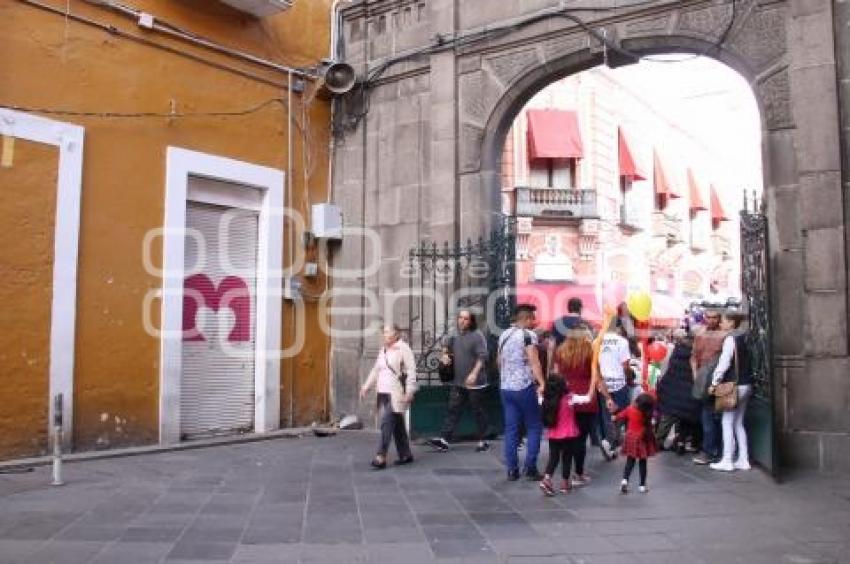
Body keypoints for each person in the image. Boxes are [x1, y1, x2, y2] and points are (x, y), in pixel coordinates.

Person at [427, 310, 491, 453]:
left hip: (476, 382)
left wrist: (474, 374)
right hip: (458, 381)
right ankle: (444, 440)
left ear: (471, 321)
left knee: (478, 411)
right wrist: (444, 356)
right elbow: (446, 349)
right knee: (453, 410)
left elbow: (483, 356)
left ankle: (483, 440)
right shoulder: (454, 336)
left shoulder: (477, 336)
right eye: (460, 318)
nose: (462, 321)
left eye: (466, 318)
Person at [498, 303, 546, 481]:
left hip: (506, 387)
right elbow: (535, 362)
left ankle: (512, 470)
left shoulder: (504, 335)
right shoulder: (528, 335)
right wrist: (541, 382)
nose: (534, 322)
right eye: (532, 318)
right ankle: (530, 467)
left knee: (511, 429)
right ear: (525, 319)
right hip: (524, 386)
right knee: (534, 426)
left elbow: (498, 361)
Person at [360, 324, 418, 469]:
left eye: (386, 332)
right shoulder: (383, 350)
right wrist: (366, 386)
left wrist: (410, 391)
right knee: (397, 423)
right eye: (383, 332)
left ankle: (381, 456)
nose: (383, 334)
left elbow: (411, 370)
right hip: (383, 392)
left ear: (396, 334)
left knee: (386, 422)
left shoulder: (403, 348)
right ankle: (405, 454)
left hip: (396, 393)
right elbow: (376, 369)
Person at [552, 327, 598, 486]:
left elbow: (556, 374)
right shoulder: (590, 352)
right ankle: (578, 473)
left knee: (567, 437)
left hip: (565, 398)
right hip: (585, 399)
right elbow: (596, 376)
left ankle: (567, 474)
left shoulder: (560, 351)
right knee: (581, 438)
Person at [708, 311, 753, 471]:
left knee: (727, 421)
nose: (721, 324)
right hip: (746, 384)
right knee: (739, 423)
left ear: (732, 323)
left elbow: (724, 363)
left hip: (734, 385)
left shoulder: (730, 339)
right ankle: (743, 459)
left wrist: (714, 382)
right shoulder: (744, 338)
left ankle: (727, 459)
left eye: (724, 321)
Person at [539, 377, 591, 496]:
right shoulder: (570, 398)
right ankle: (564, 483)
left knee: (553, 457)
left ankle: (546, 479)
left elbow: (539, 397)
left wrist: (540, 388)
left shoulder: (545, 399)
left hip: (553, 434)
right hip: (568, 434)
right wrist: (592, 385)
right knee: (566, 458)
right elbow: (587, 398)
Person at [655, 329, 701, 454]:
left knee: (667, 417)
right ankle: (680, 442)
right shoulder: (696, 352)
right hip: (688, 389)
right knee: (685, 418)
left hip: (671, 388)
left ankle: (658, 441)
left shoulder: (676, 349)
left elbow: (667, 367)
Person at [690, 309, 726, 465]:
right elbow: (693, 357)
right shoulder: (700, 334)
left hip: (719, 378)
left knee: (716, 417)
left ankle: (712, 450)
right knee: (708, 416)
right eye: (709, 317)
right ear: (705, 318)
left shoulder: (725, 335)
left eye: (714, 317)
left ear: (719, 319)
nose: (711, 320)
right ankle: (711, 450)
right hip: (703, 378)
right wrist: (695, 375)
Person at [596, 317, 633, 459]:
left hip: (603, 384)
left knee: (606, 415)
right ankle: (613, 442)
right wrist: (630, 375)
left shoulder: (597, 341)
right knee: (622, 414)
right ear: (618, 327)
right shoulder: (622, 341)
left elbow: (596, 366)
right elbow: (625, 366)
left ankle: (608, 442)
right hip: (619, 384)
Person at [615, 392, 658, 494]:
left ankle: (624, 481)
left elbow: (620, 416)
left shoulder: (630, 409)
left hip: (630, 438)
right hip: (642, 438)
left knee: (630, 462)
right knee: (643, 462)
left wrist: (614, 417)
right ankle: (642, 486)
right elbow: (654, 418)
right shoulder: (647, 414)